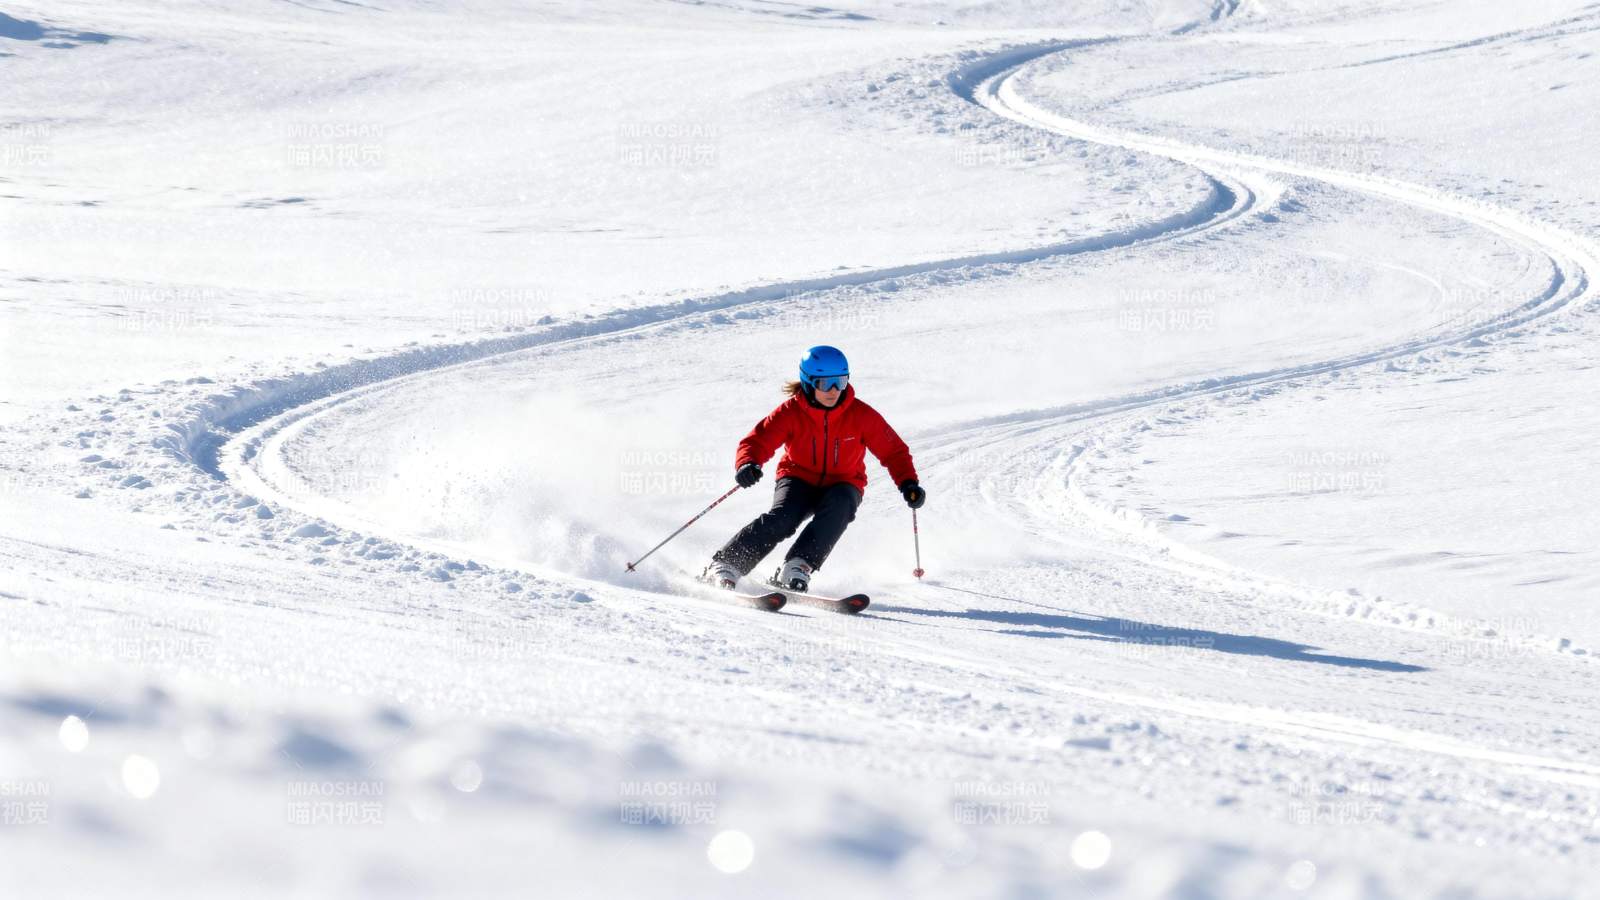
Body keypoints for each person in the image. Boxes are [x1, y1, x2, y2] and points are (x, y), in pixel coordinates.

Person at [707, 345, 926, 593]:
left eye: (840, 382)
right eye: (825, 383)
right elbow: (758, 440)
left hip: (844, 482)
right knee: (784, 517)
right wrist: (749, 463)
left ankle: (799, 565)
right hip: (798, 477)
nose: (834, 390)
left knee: (840, 507)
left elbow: (893, 451)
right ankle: (727, 563)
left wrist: (908, 482)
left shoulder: (861, 415)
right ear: (809, 382)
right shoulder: (790, 412)